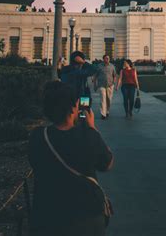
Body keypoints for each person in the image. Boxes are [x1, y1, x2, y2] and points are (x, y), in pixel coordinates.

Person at [28, 81, 113, 235]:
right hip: (85, 216)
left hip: (47, 217)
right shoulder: (87, 135)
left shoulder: (38, 136)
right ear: (74, 107)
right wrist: (92, 128)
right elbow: (107, 164)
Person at [95, 55, 117, 119]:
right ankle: (103, 114)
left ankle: (107, 111)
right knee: (102, 99)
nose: (107, 59)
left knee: (109, 99)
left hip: (110, 85)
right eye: (106, 58)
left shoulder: (112, 66)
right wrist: (95, 85)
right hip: (101, 85)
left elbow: (114, 75)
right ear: (103, 59)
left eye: (108, 58)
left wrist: (114, 83)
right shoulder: (99, 66)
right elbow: (96, 75)